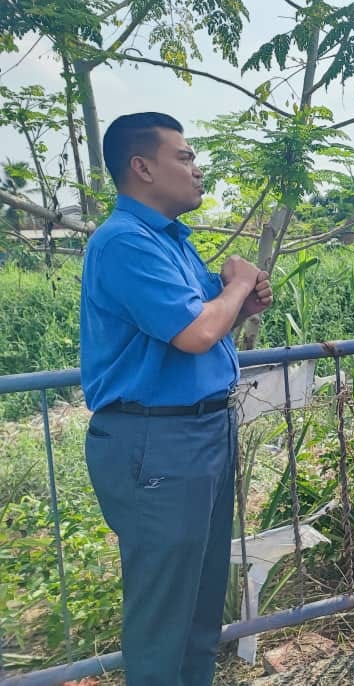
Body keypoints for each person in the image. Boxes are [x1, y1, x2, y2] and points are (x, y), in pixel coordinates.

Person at [80, 112, 273, 685]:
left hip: (197, 433)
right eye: (183, 157)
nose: (196, 169)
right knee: (165, 613)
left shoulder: (170, 243)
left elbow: (202, 333)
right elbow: (194, 333)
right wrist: (236, 284)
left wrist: (241, 304)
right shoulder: (123, 243)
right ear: (141, 167)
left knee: (198, 604)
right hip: (157, 439)